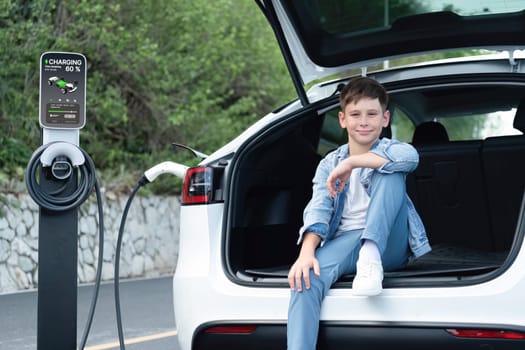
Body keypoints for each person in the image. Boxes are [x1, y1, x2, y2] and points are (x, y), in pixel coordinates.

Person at [286, 76, 431, 350]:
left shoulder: (392, 149)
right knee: (305, 278)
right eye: (355, 114)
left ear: (385, 118)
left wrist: (354, 162)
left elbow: (410, 158)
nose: (363, 121)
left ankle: (371, 255)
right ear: (342, 119)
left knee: (390, 171)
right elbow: (318, 208)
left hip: (390, 244)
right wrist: (306, 254)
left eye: (372, 114)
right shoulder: (329, 163)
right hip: (346, 240)